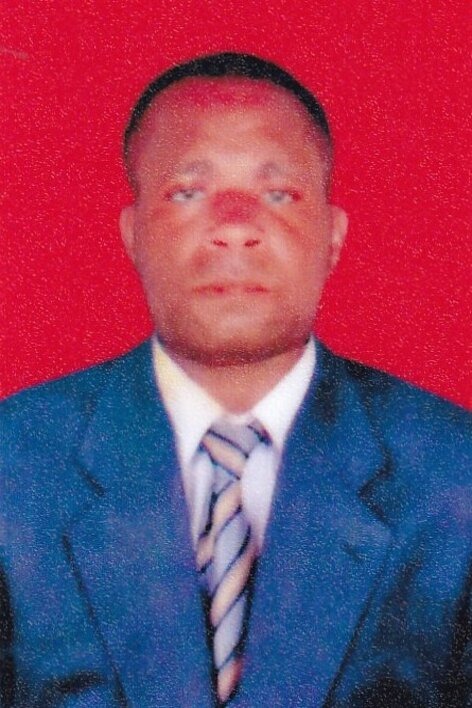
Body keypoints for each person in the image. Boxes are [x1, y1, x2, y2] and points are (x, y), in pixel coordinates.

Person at [1, 52, 470, 708]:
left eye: (278, 195)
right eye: (187, 193)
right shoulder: (14, 466)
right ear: (133, 235)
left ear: (333, 238)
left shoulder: (454, 476)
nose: (234, 227)